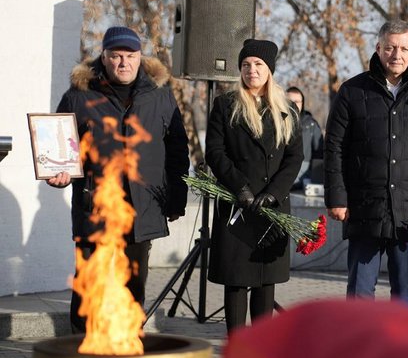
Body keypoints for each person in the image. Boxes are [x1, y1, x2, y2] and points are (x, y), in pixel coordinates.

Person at [47, 26, 189, 332]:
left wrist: (176, 197)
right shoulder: (79, 96)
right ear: (105, 57)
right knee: (89, 287)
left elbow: (177, 149)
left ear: (140, 57)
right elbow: (59, 147)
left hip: (143, 209)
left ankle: (128, 353)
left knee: (133, 287)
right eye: (116, 56)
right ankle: (80, 351)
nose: (123, 62)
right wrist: (56, 173)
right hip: (95, 206)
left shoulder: (160, 95)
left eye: (130, 56)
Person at [324, 20, 408, 300]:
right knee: (360, 292)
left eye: (404, 48)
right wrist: (337, 197)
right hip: (364, 208)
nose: (397, 55)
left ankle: (403, 345)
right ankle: (359, 344)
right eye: (391, 48)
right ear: (378, 48)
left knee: (406, 294)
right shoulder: (352, 91)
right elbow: (334, 146)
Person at [206, 39, 303, 332]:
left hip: (271, 207)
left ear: (270, 69)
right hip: (238, 205)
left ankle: (262, 347)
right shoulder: (226, 106)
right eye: (246, 64)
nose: (252, 70)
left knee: (265, 280)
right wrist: (241, 189)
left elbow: (294, 158)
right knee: (236, 281)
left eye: (258, 64)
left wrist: (274, 193)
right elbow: (215, 152)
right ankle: (236, 347)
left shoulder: (286, 110)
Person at [286, 86, 323, 189]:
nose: (293, 105)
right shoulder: (273, 123)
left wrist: (313, 180)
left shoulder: (312, 125)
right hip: (277, 184)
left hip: (303, 182)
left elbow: (319, 156)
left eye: (297, 101)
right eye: (289, 101)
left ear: (302, 103)